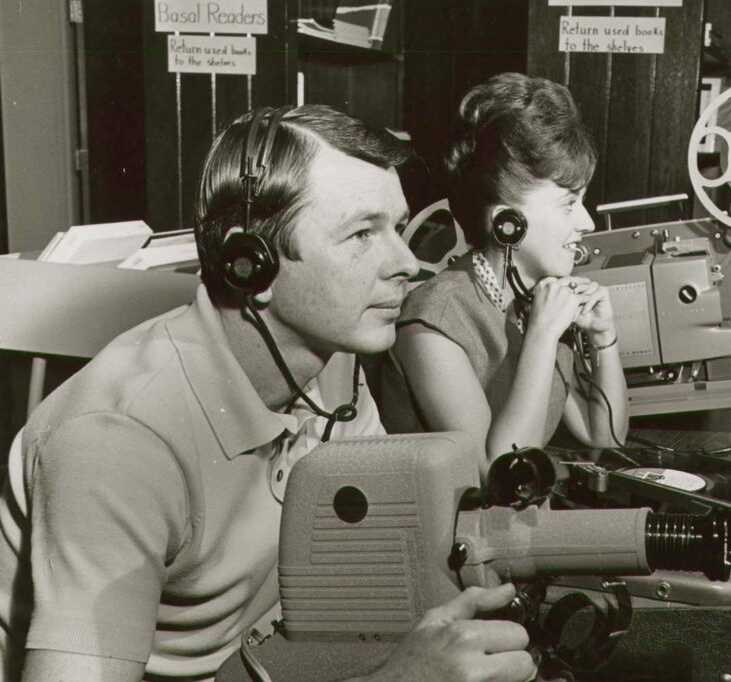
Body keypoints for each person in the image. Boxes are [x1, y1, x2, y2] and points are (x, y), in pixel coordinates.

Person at [0, 105, 535, 682]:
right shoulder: (118, 441)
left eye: (396, 227)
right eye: (360, 233)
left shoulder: (334, 356)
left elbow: (380, 554)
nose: (407, 264)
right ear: (249, 264)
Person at [381, 73, 629, 472]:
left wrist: (603, 337)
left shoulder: (534, 299)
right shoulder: (432, 318)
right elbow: (495, 470)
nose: (587, 222)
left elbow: (605, 434)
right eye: (569, 204)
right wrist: (543, 335)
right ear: (508, 222)